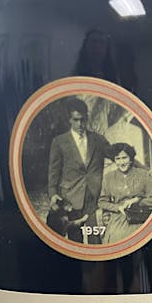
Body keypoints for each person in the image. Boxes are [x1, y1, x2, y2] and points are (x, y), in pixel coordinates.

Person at [47, 97, 112, 243]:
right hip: (69, 199)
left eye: (83, 120)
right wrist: (53, 194)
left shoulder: (98, 140)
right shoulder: (59, 142)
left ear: (87, 118)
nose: (80, 124)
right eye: (75, 120)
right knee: (75, 239)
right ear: (69, 120)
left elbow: (118, 154)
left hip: (93, 196)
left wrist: (144, 169)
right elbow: (53, 171)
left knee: (95, 237)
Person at [98, 143, 152, 243]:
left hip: (141, 217)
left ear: (131, 159)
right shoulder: (109, 177)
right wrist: (118, 207)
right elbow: (102, 202)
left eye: (124, 158)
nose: (121, 162)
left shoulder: (144, 175)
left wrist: (138, 201)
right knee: (117, 237)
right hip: (119, 219)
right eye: (117, 159)